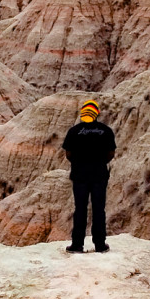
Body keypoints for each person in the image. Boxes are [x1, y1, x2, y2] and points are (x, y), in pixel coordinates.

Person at [62, 99, 116, 253]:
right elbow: (111, 154)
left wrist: (80, 163)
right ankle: (100, 244)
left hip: (80, 176)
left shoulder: (74, 131)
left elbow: (69, 154)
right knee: (99, 209)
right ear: (96, 114)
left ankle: (77, 245)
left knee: (80, 209)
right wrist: (98, 163)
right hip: (99, 175)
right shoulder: (106, 131)